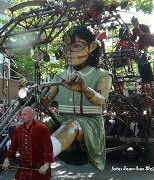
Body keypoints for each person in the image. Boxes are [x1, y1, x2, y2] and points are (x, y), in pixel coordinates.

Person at [43, 25, 112, 171]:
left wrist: (85, 90)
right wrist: (34, 95)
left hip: (89, 122)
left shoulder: (102, 75)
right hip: (63, 118)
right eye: (66, 47)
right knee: (42, 124)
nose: (68, 51)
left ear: (92, 46)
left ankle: (45, 156)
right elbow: (46, 100)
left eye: (76, 46)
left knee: (71, 126)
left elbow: (102, 101)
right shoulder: (60, 76)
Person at [2, 106, 53, 180]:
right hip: (23, 170)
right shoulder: (18, 129)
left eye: (25, 114)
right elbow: (13, 146)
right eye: (21, 114)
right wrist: (7, 159)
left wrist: (46, 164)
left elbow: (48, 148)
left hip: (39, 170)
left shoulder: (42, 128)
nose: (22, 117)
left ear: (32, 115)